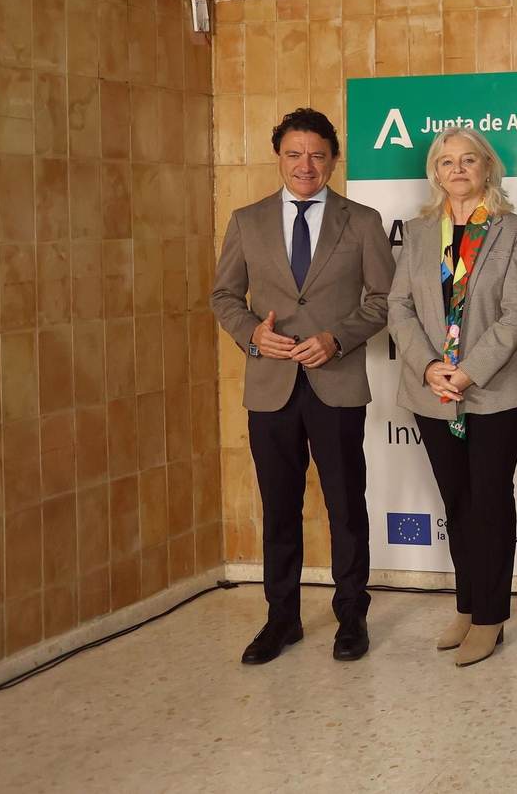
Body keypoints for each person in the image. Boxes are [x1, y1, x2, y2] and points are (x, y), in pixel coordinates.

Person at [211, 107, 396, 665]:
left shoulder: (361, 220)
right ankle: (282, 620)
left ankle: (351, 618)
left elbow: (384, 301)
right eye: (295, 154)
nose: (306, 165)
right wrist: (252, 337)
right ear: (279, 157)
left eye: (317, 154)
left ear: (333, 159)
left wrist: (338, 339)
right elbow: (224, 298)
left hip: (335, 382)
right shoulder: (247, 220)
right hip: (270, 387)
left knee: (345, 506)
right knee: (280, 507)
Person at [387, 127, 517, 667]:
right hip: (432, 391)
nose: (457, 169)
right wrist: (430, 366)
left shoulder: (515, 231)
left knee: (490, 500)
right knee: (457, 500)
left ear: (487, 168)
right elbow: (398, 306)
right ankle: (467, 604)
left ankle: (492, 616)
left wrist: (468, 372)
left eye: (468, 159)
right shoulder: (420, 231)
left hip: (495, 390)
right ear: (435, 172)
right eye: (446, 161)